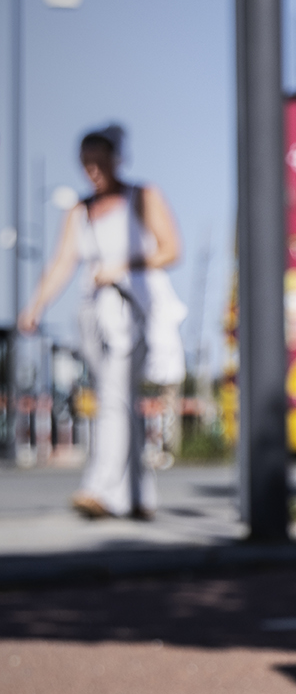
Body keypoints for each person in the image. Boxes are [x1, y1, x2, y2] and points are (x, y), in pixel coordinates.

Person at [20, 127, 182, 519]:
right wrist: (36, 304)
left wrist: (123, 267)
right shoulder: (80, 209)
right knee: (117, 401)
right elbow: (62, 262)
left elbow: (170, 250)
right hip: (92, 311)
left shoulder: (142, 197)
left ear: (116, 159)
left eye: (99, 162)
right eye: (86, 163)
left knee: (114, 398)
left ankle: (101, 489)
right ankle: (140, 495)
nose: (92, 171)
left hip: (131, 308)